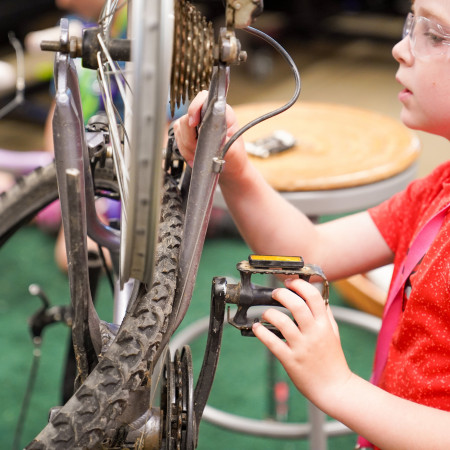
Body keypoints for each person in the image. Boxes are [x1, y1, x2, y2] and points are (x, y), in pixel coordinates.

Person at [174, 0, 450, 447]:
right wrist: (239, 172)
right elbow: (311, 253)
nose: (402, 49)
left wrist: (338, 386)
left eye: (434, 35)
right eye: (411, 26)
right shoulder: (440, 189)